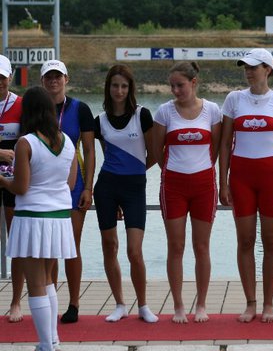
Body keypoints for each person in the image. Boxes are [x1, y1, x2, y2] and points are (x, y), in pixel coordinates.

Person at [219, 48, 273, 323]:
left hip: (272, 179)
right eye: (246, 67)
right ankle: (251, 303)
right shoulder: (234, 99)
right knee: (246, 240)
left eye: (253, 67)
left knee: (271, 241)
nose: (248, 72)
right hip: (241, 179)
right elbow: (225, 144)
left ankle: (269, 304)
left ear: (268, 69)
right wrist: (222, 182)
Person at [1, 86, 77, 351]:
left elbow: (20, 187)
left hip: (32, 217)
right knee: (47, 280)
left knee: (35, 285)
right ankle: (52, 339)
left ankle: (46, 345)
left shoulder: (26, 142)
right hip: (59, 217)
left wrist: (2, 179)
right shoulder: (68, 142)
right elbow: (70, 183)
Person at [151, 61, 221, 323]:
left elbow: (216, 149)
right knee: (176, 246)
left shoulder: (212, 110)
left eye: (180, 85)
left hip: (204, 185)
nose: (175, 91)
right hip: (173, 186)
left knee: (201, 246)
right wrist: (175, 170)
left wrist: (199, 169)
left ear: (193, 83)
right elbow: (157, 151)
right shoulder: (164, 112)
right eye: (172, 86)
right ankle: (179, 305)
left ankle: (201, 304)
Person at [94, 65, 158, 323]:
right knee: (110, 247)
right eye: (114, 85)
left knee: (134, 251)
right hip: (106, 188)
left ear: (130, 88)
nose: (119, 91)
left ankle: (143, 305)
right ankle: (120, 304)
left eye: (124, 86)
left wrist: (135, 173)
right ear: (108, 88)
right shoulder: (99, 121)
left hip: (134, 189)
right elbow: (107, 154)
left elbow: (154, 155)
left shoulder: (142, 115)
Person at [40, 59, 95, 324]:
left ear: (66, 79)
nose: (54, 81)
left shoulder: (80, 109)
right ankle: (51, 302)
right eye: (49, 77)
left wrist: (89, 187)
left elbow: (90, 150)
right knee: (50, 248)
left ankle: (74, 303)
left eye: (58, 76)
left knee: (71, 245)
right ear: (42, 81)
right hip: (44, 185)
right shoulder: (35, 109)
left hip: (75, 184)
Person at [0, 55, 24, 323]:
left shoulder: (21, 104)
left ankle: (16, 301)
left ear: (10, 77)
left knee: (15, 240)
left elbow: (30, 142)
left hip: (13, 180)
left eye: (2, 77)